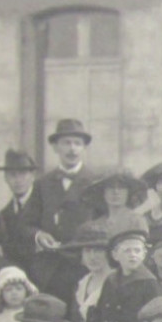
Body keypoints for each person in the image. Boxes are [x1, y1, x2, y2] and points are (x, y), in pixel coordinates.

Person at [33, 119, 99, 299]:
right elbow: (26, 223)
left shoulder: (95, 183)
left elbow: (103, 223)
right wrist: (39, 235)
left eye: (78, 143)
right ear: (55, 147)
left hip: (84, 266)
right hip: (50, 268)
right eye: (66, 143)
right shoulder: (42, 183)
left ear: (84, 148)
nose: (72, 149)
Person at [62, 221, 115, 322]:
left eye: (98, 250)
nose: (92, 257)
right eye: (87, 251)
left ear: (109, 253)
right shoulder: (81, 284)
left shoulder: (118, 283)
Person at [0, 149, 44, 277]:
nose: (18, 180)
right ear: (5, 178)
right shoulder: (4, 214)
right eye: (12, 175)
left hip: (46, 277)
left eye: (23, 174)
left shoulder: (44, 204)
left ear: (32, 176)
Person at [82, 168, 148, 236]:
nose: (116, 192)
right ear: (103, 193)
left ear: (128, 193)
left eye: (121, 187)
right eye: (110, 187)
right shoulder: (95, 225)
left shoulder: (136, 221)